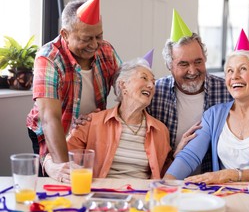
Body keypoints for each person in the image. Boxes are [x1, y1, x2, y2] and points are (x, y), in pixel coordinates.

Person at [164, 30, 249, 184]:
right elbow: (189, 157)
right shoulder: (213, 115)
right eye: (229, 71)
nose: (234, 76)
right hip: (221, 195)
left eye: (243, 69)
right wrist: (163, 185)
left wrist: (228, 175)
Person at [26, 0, 122, 179]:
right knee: (56, 180)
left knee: (87, 180)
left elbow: (124, 87)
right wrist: (64, 169)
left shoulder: (106, 50)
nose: (94, 45)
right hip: (51, 130)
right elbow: (49, 118)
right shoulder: (48, 58)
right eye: (86, 38)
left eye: (99, 36)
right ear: (65, 34)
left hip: (86, 129)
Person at [44, 58, 173, 182]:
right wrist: (51, 167)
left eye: (153, 82)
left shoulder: (160, 131)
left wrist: (176, 155)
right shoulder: (92, 122)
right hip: (101, 195)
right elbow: (57, 156)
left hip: (142, 197)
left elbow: (166, 174)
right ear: (123, 85)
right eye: (144, 78)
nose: (151, 85)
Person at [147, 9, 232, 173]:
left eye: (198, 62)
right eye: (184, 64)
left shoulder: (226, 91)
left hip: (213, 181)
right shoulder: (155, 93)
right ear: (170, 66)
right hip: (170, 178)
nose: (193, 71)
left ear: (205, 59)